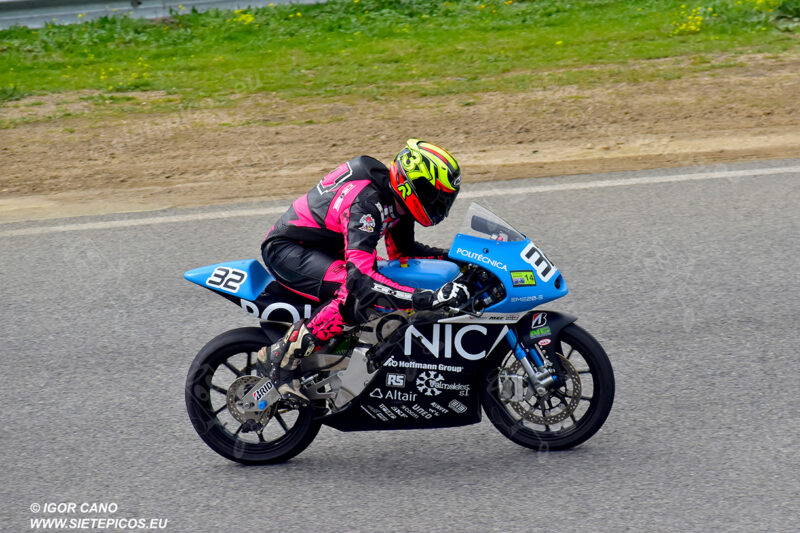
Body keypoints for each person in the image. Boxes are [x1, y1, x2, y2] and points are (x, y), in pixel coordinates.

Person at [256, 139, 469, 405]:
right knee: (355, 294)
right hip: (289, 250)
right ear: (412, 184)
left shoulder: (397, 200)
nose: (439, 204)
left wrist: (463, 259)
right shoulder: (368, 202)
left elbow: (404, 251)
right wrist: (423, 298)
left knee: (386, 279)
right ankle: (280, 358)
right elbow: (361, 280)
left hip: (324, 249)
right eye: (434, 194)